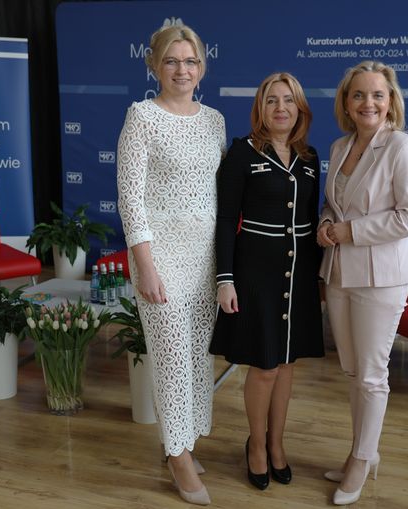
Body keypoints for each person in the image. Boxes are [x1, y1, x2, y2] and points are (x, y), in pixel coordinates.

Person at [117, 22, 226, 506]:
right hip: (160, 257)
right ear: (155, 66)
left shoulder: (214, 121)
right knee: (170, 358)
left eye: (191, 61)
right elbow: (130, 198)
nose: (182, 70)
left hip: (205, 257)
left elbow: (218, 192)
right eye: (172, 61)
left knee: (197, 357)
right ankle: (177, 457)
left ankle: (184, 442)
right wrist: (146, 266)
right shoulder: (141, 116)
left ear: (202, 67)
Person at [317, 61, 408, 505]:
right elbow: (335, 205)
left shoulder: (403, 147)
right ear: (346, 103)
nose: (369, 103)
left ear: (390, 101)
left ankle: (362, 461)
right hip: (339, 273)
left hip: (381, 278)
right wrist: (326, 225)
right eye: (359, 95)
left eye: (378, 95)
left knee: (371, 375)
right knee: (352, 371)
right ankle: (360, 451)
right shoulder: (340, 146)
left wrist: (351, 231)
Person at [210, 72, 324, 490]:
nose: (281, 108)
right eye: (272, 100)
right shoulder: (242, 153)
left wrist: (320, 276)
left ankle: (277, 443)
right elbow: (226, 220)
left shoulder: (309, 157)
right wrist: (225, 279)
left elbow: (310, 219)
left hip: (299, 274)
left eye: (289, 100)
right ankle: (256, 445)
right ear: (260, 107)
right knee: (264, 365)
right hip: (255, 273)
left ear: (300, 109)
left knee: (287, 364)